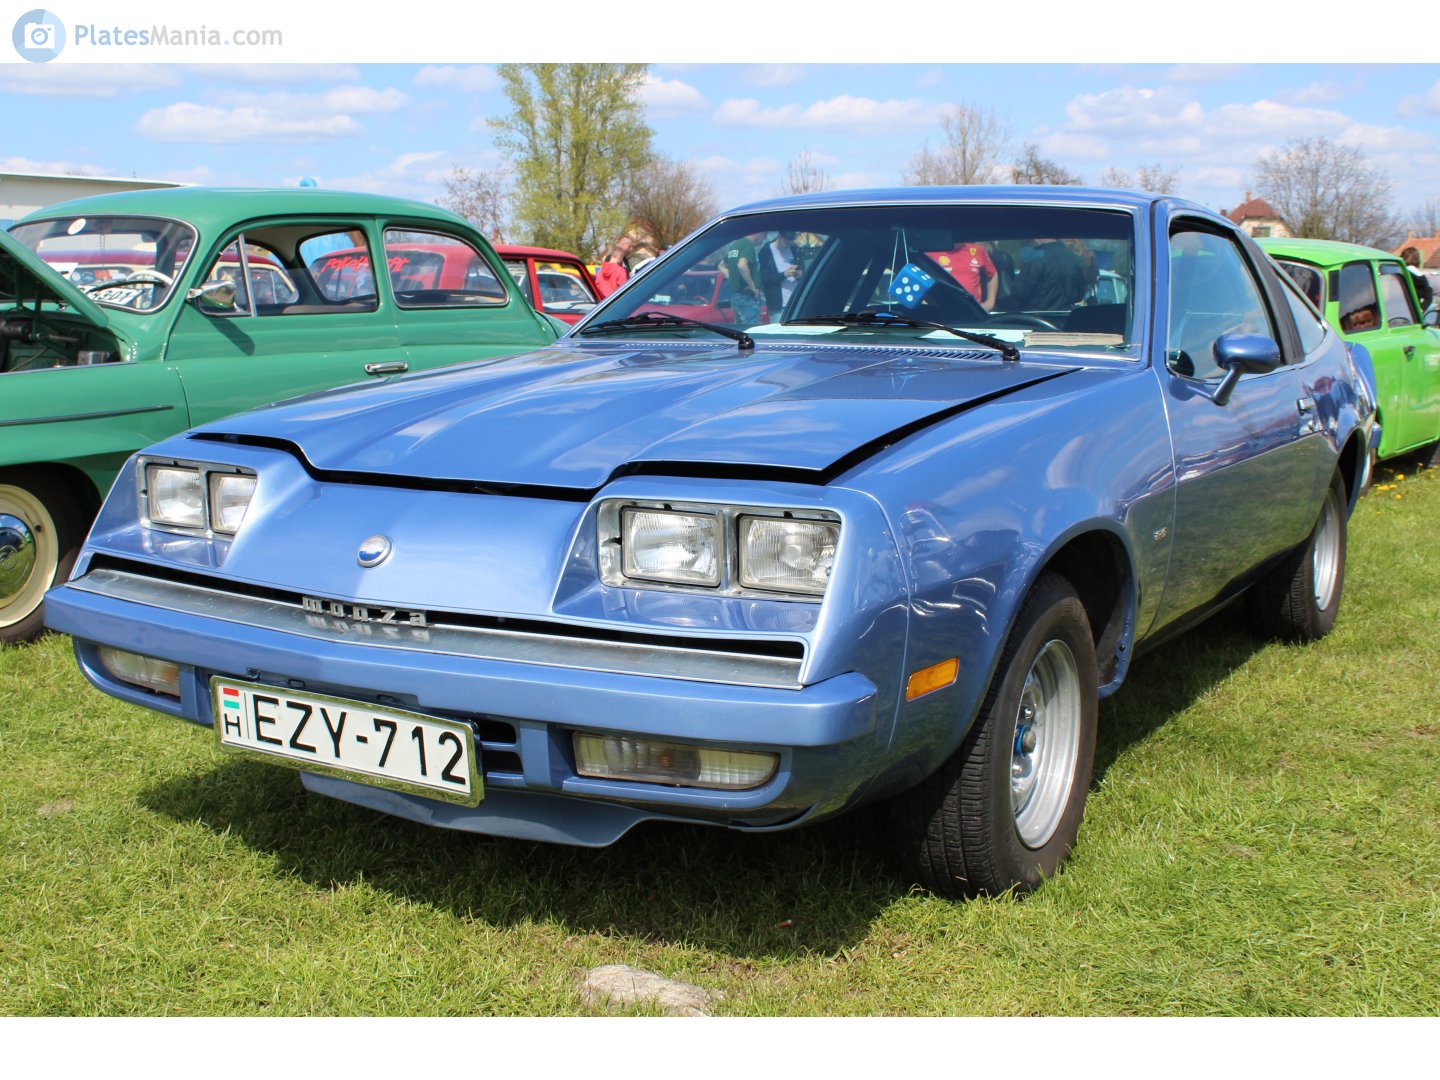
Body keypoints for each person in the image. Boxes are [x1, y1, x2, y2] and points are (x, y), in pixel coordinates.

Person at [1015, 237, 1089, 311]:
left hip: (1036, 318)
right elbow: (1079, 295)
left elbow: (1020, 293)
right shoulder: (1075, 258)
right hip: (1066, 317)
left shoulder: (1035, 257)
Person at [927, 241, 998, 310]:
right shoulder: (930, 251)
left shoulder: (977, 251)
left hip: (972, 310)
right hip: (941, 308)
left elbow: (992, 274)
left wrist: (990, 302)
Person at [758, 231, 805, 318]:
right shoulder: (766, 252)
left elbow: (802, 268)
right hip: (778, 305)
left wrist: (799, 274)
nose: (787, 246)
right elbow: (764, 279)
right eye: (786, 243)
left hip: (795, 302)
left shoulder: (794, 249)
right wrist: (784, 275)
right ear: (779, 236)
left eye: (790, 244)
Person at [719, 233, 764, 325]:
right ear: (759, 234)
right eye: (764, 235)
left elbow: (721, 266)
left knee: (740, 329)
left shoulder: (735, 245)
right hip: (747, 296)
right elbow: (742, 265)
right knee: (752, 330)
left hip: (736, 297)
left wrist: (732, 278)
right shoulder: (748, 244)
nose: (764, 238)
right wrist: (752, 287)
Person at [1401, 246, 1434, 311]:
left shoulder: (1400, 272)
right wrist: (1421, 309)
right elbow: (1428, 297)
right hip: (1413, 312)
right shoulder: (1421, 277)